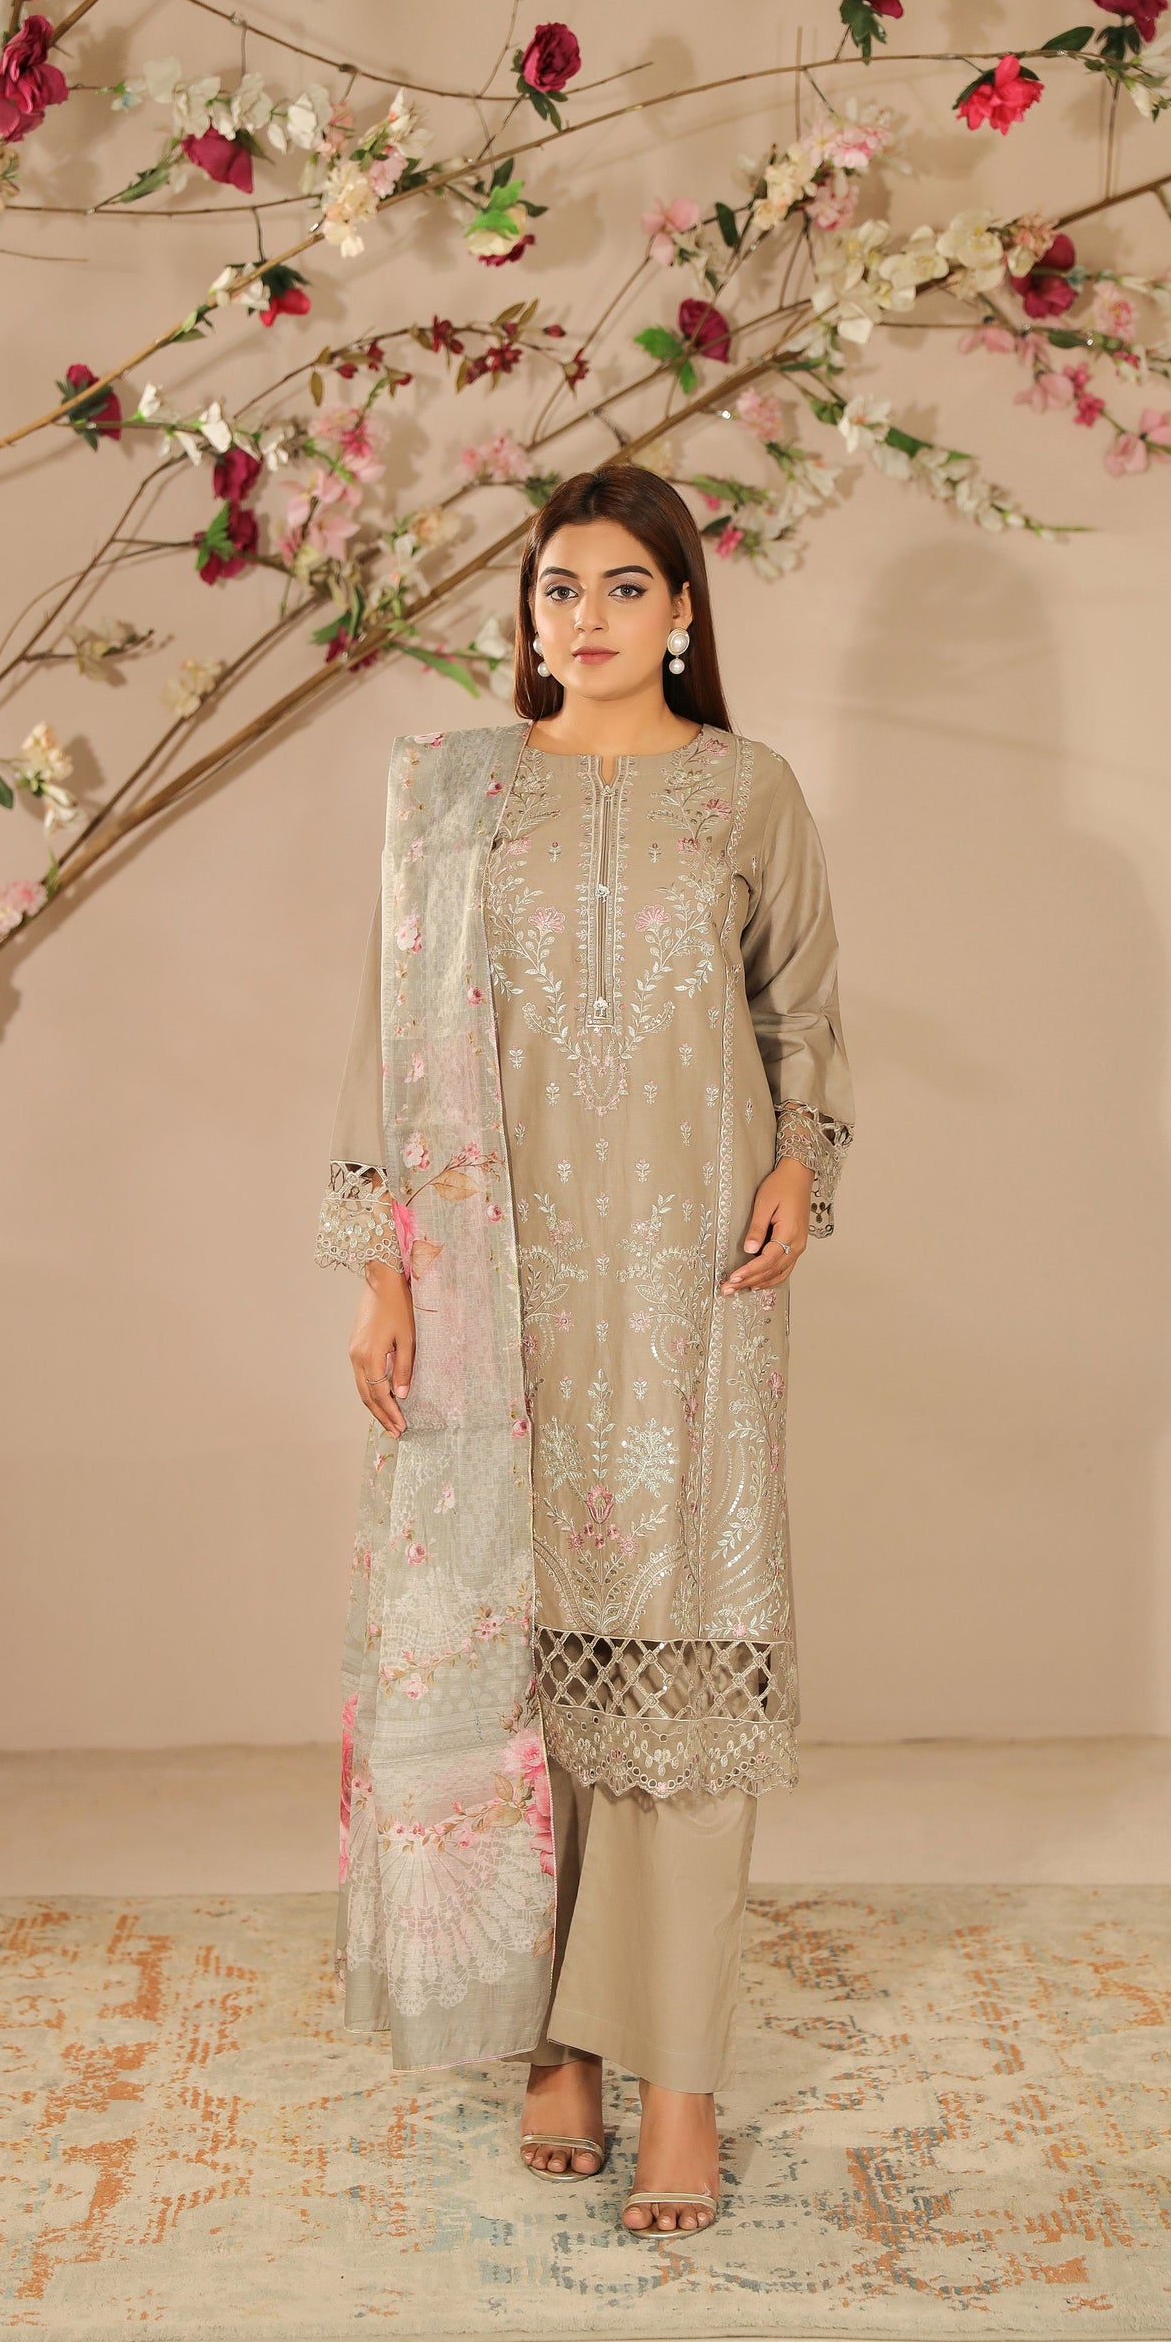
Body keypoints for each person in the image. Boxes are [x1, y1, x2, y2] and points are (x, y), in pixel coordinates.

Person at [314, 464, 854, 2238]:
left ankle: (679, 2078)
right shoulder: (456, 801)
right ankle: (559, 2042)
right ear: (528, 612)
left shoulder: (749, 794)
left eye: (627, 587)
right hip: (501, 1291)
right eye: (560, 587)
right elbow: (391, 1045)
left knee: (687, 1663)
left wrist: (801, 1164)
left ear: (685, 609)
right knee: (527, 1661)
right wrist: (383, 1269)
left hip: (695, 1288)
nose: (589, 617)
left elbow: (801, 1016)